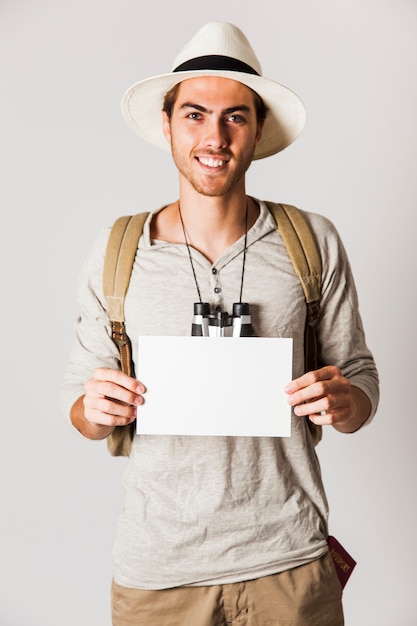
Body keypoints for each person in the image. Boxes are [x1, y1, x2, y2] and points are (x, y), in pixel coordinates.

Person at [61, 21, 379, 626]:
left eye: (235, 116)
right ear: (168, 124)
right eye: (195, 114)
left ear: (258, 130)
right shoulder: (118, 248)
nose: (215, 135)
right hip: (158, 573)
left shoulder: (311, 242)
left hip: (290, 561)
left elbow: (361, 380)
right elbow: (79, 405)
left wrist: (346, 401)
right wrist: (93, 408)